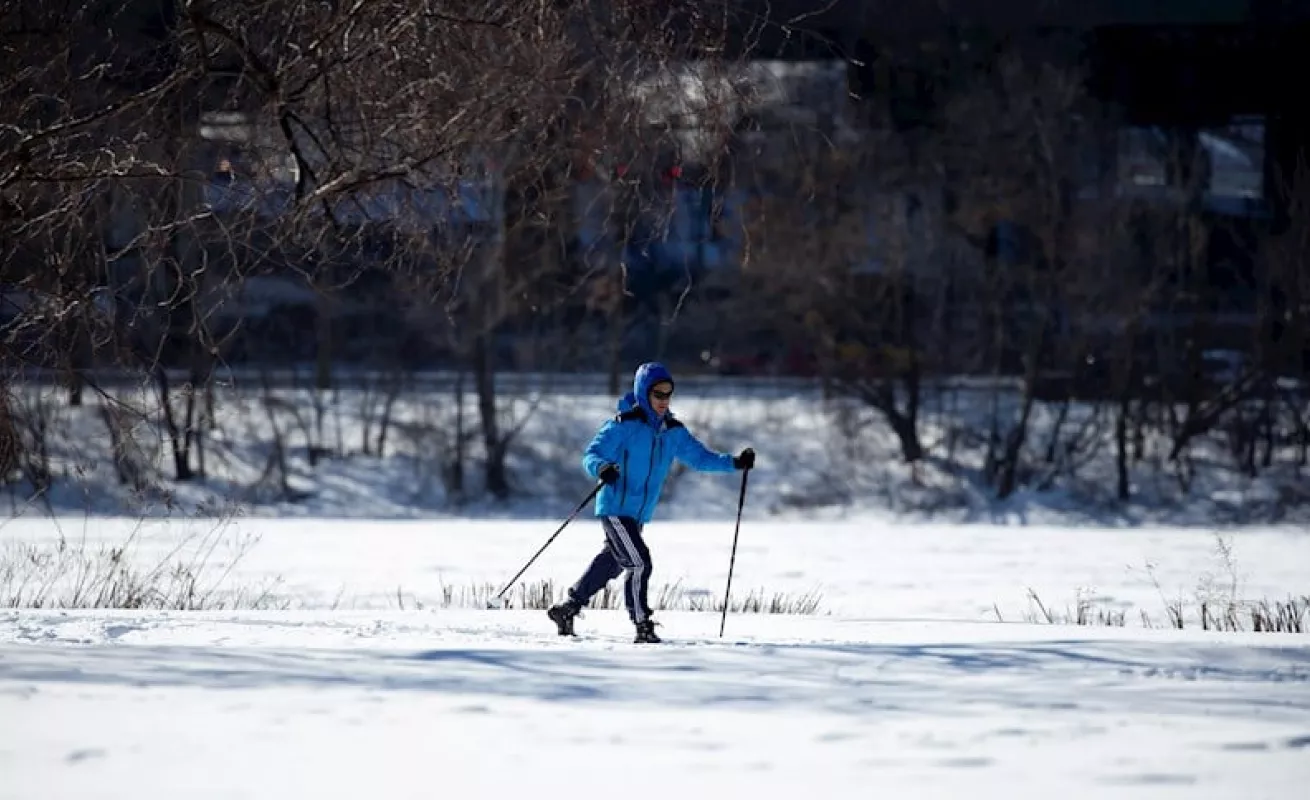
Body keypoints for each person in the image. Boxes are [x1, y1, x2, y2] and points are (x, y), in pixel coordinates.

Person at [548, 362, 754, 643]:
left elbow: (701, 458)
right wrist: (601, 468)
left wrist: (735, 463)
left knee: (613, 563)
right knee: (639, 563)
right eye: (658, 394)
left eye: (668, 394)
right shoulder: (624, 425)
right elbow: (591, 454)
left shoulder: (672, 431)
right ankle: (642, 624)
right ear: (644, 393)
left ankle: (568, 608)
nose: (663, 400)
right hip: (615, 509)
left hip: (637, 515)